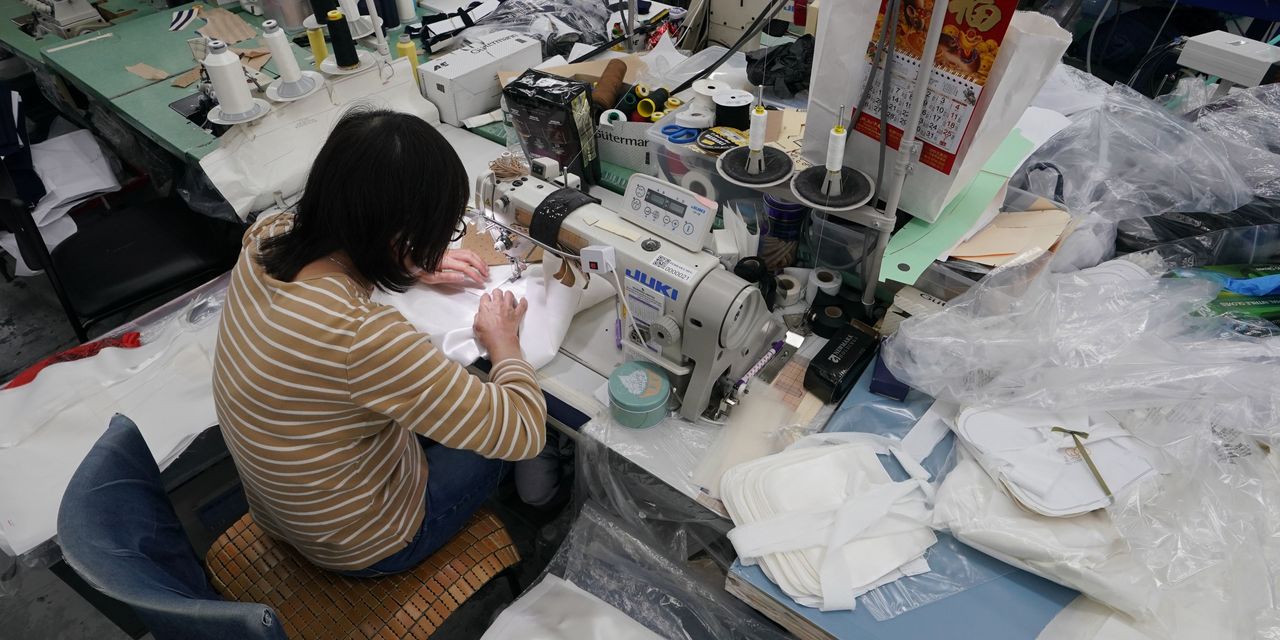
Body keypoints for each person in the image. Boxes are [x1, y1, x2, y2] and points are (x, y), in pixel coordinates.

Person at [212, 108, 546, 577]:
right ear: (397, 236)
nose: (445, 240)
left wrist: (409, 263)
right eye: (445, 231)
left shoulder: (264, 240)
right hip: (363, 542)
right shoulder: (363, 337)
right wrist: (504, 343)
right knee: (511, 447)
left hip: (284, 506)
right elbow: (523, 430)